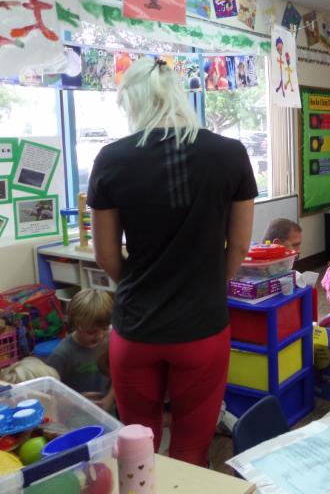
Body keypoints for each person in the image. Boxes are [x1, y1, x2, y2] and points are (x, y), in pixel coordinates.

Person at [89, 57, 257, 466]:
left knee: (138, 448)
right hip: (202, 326)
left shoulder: (111, 158)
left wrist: (144, 285)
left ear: (133, 101)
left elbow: (106, 256)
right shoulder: (230, 153)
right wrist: (206, 285)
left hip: (136, 328)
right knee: (191, 448)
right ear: (180, 96)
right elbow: (239, 246)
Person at [46, 288, 114, 411]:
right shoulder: (62, 354)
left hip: (106, 409)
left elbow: (119, 375)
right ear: (76, 325)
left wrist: (109, 399)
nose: (100, 336)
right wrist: (76, 400)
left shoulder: (110, 342)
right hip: (75, 412)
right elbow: (48, 393)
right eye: (91, 332)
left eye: (105, 328)